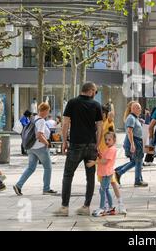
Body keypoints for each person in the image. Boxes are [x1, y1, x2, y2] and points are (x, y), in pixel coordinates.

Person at [54, 82, 103, 217]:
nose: (95, 94)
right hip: (91, 145)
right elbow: (100, 127)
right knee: (90, 177)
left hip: (76, 145)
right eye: (96, 92)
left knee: (68, 175)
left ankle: (64, 207)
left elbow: (65, 124)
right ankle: (86, 206)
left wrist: (64, 141)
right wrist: (97, 145)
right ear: (91, 91)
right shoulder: (96, 105)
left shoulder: (72, 103)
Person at [13, 103, 57, 196]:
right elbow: (39, 135)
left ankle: (18, 185)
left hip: (31, 147)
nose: (48, 113)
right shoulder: (41, 121)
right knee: (48, 167)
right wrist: (47, 143)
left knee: (31, 168)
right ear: (44, 111)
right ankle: (46, 189)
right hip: (40, 147)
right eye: (48, 111)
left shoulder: (33, 118)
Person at [115, 101, 148, 187]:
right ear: (132, 109)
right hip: (135, 142)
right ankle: (135, 179)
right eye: (138, 108)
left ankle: (118, 171)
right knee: (137, 161)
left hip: (138, 142)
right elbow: (129, 132)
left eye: (140, 108)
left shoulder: (134, 118)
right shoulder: (131, 118)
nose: (140, 110)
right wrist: (132, 144)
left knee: (136, 162)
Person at [92, 132, 117, 217]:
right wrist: (99, 154)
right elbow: (103, 158)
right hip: (105, 173)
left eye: (109, 140)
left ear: (114, 140)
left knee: (102, 190)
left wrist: (94, 162)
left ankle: (102, 208)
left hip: (107, 173)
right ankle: (110, 208)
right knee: (105, 190)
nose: (107, 141)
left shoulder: (112, 149)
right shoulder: (108, 148)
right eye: (105, 139)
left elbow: (105, 161)